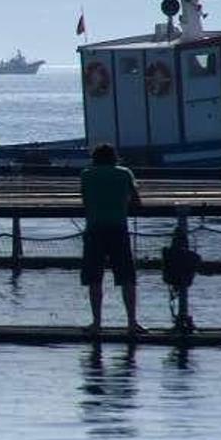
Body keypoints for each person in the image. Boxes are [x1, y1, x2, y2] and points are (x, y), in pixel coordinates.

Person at [80, 143, 146, 335]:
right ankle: (132, 322)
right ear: (114, 158)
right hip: (118, 228)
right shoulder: (125, 173)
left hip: (94, 229)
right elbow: (137, 201)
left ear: (94, 158)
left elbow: (84, 199)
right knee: (127, 278)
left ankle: (97, 323)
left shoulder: (87, 174)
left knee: (94, 278)